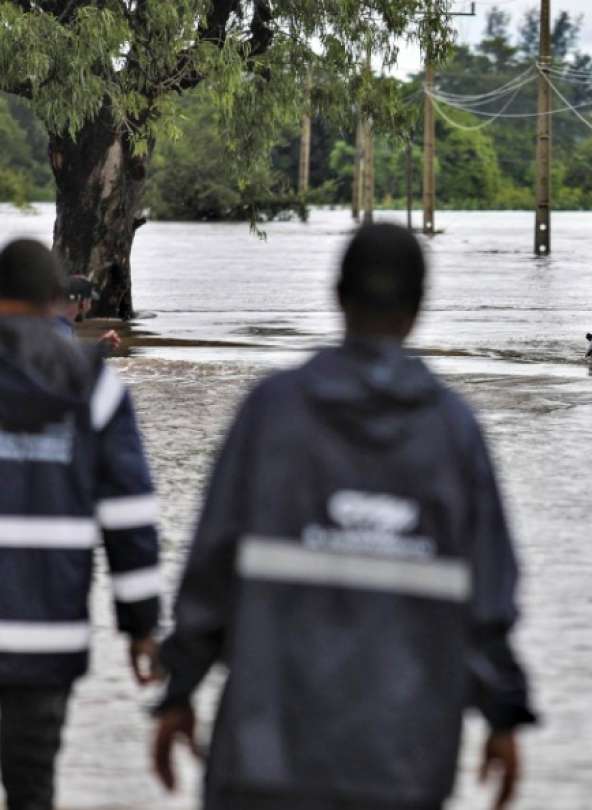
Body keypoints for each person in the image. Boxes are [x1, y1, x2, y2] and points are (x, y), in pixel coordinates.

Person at [153, 223, 537, 810]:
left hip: (265, 757)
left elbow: (209, 567)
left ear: (337, 296)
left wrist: (178, 690)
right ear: (418, 307)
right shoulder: (452, 432)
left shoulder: (272, 412)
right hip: (403, 763)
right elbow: (488, 598)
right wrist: (503, 716)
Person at [0, 239, 161, 810]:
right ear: (55, 299)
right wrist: (141, 624)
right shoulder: (93, 384)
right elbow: (129, 516)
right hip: (47, 635)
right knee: (31, 785)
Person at [56, 275, 121, 352]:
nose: (90, 306)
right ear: (82, 301)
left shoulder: (60, 324)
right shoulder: (61, 330)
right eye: (90, 300)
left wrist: (98, 348)